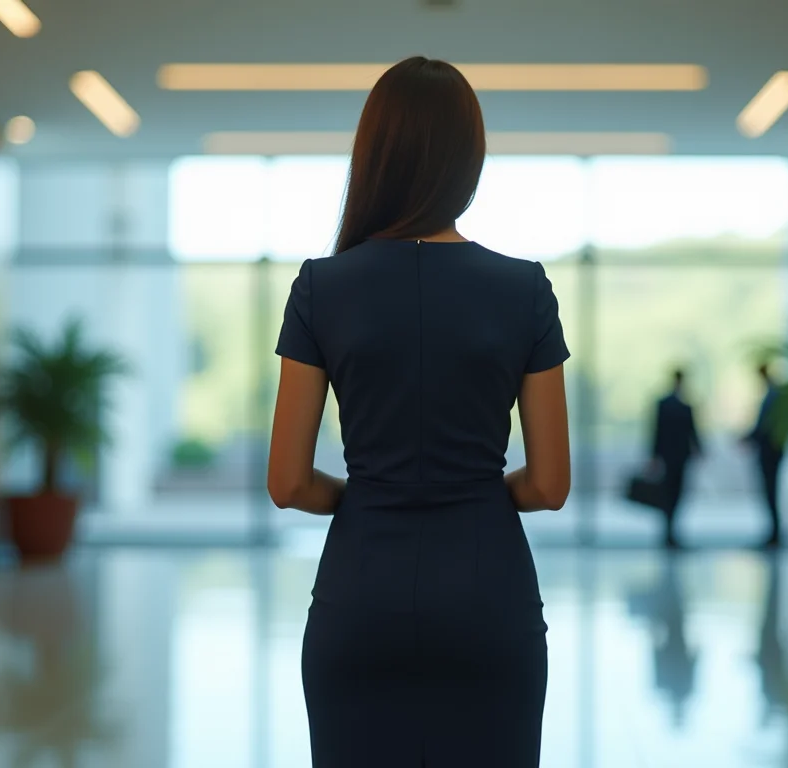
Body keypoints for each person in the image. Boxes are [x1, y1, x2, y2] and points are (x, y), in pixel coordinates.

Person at [267, 57, 571, 768]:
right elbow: (550, 484)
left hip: (359, 598)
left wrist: (375, 494)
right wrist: (467, 496)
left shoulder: (321, 288)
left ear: (374, 155)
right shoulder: (524, 290)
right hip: (488, 600)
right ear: (471, 160)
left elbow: (288, 483)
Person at [649, 369, 701, 548]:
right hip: (675, 456)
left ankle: (670, 532)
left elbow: (691, 432)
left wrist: (654, 456)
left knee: (674, 494)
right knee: (672, 494)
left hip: (673, 456)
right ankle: (670, 533)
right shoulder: (679, 405)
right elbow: (658, 431)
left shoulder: (669, 404)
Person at [743, 363, 784, 547]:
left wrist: (748, 438)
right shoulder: (773, 395)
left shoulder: (773, 397)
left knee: (771, 492)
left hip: (770, 454)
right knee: (770, 492)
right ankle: (774, 531)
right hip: (771, 452)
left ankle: (775, 533)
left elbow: (765, 428)